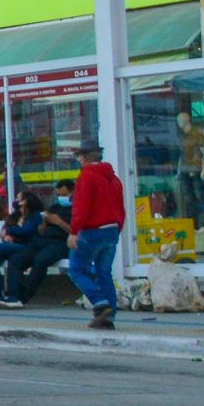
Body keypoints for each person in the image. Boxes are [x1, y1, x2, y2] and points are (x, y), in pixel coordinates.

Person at [66, 139, 126, 329]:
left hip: (90, 231)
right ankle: (108, 318)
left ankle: (100, 304)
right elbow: (120, 208)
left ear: (84, 158)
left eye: (79, 156)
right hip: (111, 231)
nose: (78, 160)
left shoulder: (86, 176)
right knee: (104, 273)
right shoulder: (113, 178)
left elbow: (81, 209)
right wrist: (116, 229)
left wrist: (74, 232)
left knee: (76, 269)